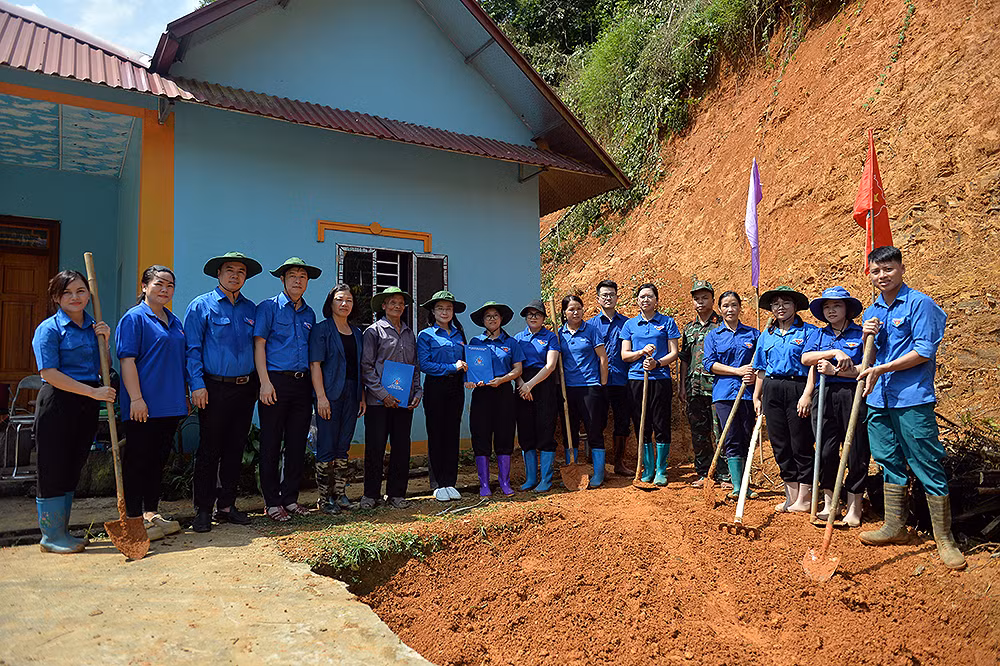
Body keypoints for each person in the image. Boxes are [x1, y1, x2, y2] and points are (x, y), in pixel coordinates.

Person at [856, 246, 965, 569]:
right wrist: (867, 339)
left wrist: (881, 370)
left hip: (912, 398)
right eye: (875, 271)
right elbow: (870, 359)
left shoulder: (921, 304)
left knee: (926, 461)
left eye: (888, 269)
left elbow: (924, 352)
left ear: (901, 269)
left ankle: (945, 539)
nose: (882, 276)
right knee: (888, 460)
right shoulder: (872, 311)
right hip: (879, 399)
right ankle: (895, 526)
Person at [30, 270, 116, 553]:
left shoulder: (95, 326)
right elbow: (49, 373)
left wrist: (105, 342)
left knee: (72, 466)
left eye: (80, 291)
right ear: (56, 297)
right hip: (58, 402)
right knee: (53, 466)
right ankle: (51, 536)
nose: (75, 297)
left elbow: (103, 366)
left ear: (88, 294)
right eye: (67, 292)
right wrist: (93, 393)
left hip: (86, 403)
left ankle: (62, 532)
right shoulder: (50, 329)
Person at [184, 251, 261, 533]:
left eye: (241, 272)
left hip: (245, 388)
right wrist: (196, 384)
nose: (235, 275)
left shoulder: (251, 309)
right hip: (212, 387)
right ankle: (203, 509)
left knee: (235, 448)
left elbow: (260, 347)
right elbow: (191, 349)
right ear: (218, 273)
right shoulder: (201, 306)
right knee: (209, 449)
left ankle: (227, 506)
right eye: (229, 270)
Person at [116, 265, 187, 540]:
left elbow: (179, 362)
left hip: (170, 405)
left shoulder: (174, 321)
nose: (165, 289)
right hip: (143, 404)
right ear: (144, 286)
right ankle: (134, 519)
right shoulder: (134, 319)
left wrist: (183, 395)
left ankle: (150, 513)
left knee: (158, 461)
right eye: (159, 284)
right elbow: (127, 360)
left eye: (170, 285)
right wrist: (136, 398)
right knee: (137, 461)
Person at [253, 257, 320, 522]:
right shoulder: (268, 308)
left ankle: (290, 499)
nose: (297, 280)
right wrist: (265, 382)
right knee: (270, 443)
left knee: (296, 443)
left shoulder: (309, 314)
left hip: (301, 384)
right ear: (282, 279)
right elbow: (259, 346)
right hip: (275, 382)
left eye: (302, 276)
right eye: (292, 275)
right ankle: (271, 502)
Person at [800, 286, 869, 527]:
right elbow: (806, 358)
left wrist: (837, 371)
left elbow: (866, 368)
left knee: (856, 451)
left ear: (847, 309)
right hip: (824, 394)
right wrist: (834, 352)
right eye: (827, 307)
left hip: (853, 393)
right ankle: (831, 503)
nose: (831, 310)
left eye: (837, 306)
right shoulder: (819, 335)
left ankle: (854, 507)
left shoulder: (861, 334)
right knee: (826, 450)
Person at [752, 286, 817, 513]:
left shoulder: (809, 332)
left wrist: (807, 394)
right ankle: (791, 495)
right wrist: (756, 396)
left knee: (800, 442)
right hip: (772, 388)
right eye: (776, 304)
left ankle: (806, 497)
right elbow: (760, 369)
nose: (780, 307)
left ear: (795, 306)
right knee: (780, 443)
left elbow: (812, 368)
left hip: (797, 387)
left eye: (786, 303)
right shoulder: (766, 335)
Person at [360, 287, 422, 510]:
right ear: (383, 306)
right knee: (375, 447)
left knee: (401, 447)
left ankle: (396, 493)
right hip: (379, 402)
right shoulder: (373, 332)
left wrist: (417, 392)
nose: (397, 306)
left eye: (401, 303)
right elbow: (366, 367)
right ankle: (370, 494)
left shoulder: (409, 333)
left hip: (404, 402)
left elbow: (414, 367)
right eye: (392, 302)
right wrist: (383, 394)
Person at [308, 284, 364, 515]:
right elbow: (315, 365)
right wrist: (321, 397)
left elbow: (359, 367)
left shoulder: (358, 332)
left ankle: (340, 493)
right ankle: (324, 498)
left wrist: (362, 397)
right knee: (326, 445)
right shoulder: (322, 329)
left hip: (352, 393)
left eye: (349, 300)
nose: (344, 304)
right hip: (329, 393)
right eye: (340, 299)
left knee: (343, 444)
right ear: (330, 303)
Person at [619, 283, 680, 486]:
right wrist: (641, 353)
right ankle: (647, 468)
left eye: (649, 296)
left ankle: (661, 470)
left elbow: (674, 352)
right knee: (641, 423)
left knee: (661, 423)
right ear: (637, 300)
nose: (645, 300)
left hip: (660, 379)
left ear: (656, 300)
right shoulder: (630, 325)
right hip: (636, 379)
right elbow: (624, 355)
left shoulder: (667, 322)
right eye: (642, 297)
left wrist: (657, 363)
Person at [702, 291, 759, 498]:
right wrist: (737, 371)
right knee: (732, 436)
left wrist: (753, 375)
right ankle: (737, 486)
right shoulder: (713, 336)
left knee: (746, 435)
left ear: (739, 308)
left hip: (748, 394)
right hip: (724, 394)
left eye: (734, 305)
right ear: (720, 309)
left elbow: (760, 362)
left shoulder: (753, 334)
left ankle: (746, 484)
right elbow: (708, 364)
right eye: (725, 306)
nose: (730, 309)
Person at [465, 302, 525, 497]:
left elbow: (518, 369)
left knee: (505, 435)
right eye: (488, 316)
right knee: (481, 436)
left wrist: (503, 379)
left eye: (495, 315)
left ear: (501, 319)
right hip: (482, 394)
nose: (492, 318)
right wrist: (471, 381)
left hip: (504, 393)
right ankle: (484, 484)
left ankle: (504, 482)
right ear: (483, 321)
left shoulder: (511, 342)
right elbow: (471, 369)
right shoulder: (476, 342)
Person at [416, 290, 467, 502]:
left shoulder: (459, 335)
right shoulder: (426, 335)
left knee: (452, 433)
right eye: (440, 308)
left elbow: (466, 363)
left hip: (456, 388)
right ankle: (437, 484)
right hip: (436, 387)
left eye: (448, 308)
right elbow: (425, 364)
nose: (444, 312)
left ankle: (450, 482)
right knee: (436, 434)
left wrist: (467, 377)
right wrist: (451, 367)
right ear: (433, 312)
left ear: (453, 312)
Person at [679, 280, 728, 488]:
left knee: (720, 431)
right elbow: (684, 359)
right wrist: (682, 385)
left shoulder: (722, 325)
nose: (700, 302)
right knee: (699, 433)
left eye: (704, 298)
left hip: (717, 387)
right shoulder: (689, 329)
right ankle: (703, 473)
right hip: (694, 387)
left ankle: (725, 475)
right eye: (697, 298)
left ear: (713, 300)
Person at [557, 294, 609, 487]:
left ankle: (598, 473)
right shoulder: (559, 333)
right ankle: (573, 472)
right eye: (571, 309)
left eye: (578, 308)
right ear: (564, 312)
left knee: (594, 429)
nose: (575, 312)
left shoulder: (591, 330)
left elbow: (603, 358)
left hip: (590, 386)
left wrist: (602, 383)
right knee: (569, 431)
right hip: (567, 389)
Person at [513, 300, 560, 492]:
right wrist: (521, 385)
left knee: (545, 430)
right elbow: (514, 366)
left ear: (543, 318)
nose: (533, 317)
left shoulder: (551, 337)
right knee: (526, 432)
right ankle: (531, 478)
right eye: (530, 314)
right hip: (522, 386)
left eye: (537, 314)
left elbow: (550, 366)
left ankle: (546, 480)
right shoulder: (518, 339)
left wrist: (530, 385)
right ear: (525, 317)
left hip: (544, 386)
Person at [587, 280, 633, 475]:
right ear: (598, 299)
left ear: (617, 297)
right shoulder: (589, 325)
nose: (608, 297)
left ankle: (619, 463)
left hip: (622, 380)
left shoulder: (628, 323)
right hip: (597, 382)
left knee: (623, 421)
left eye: (611, 294)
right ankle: (596, 464)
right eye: (604, 295)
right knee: (596, 421)